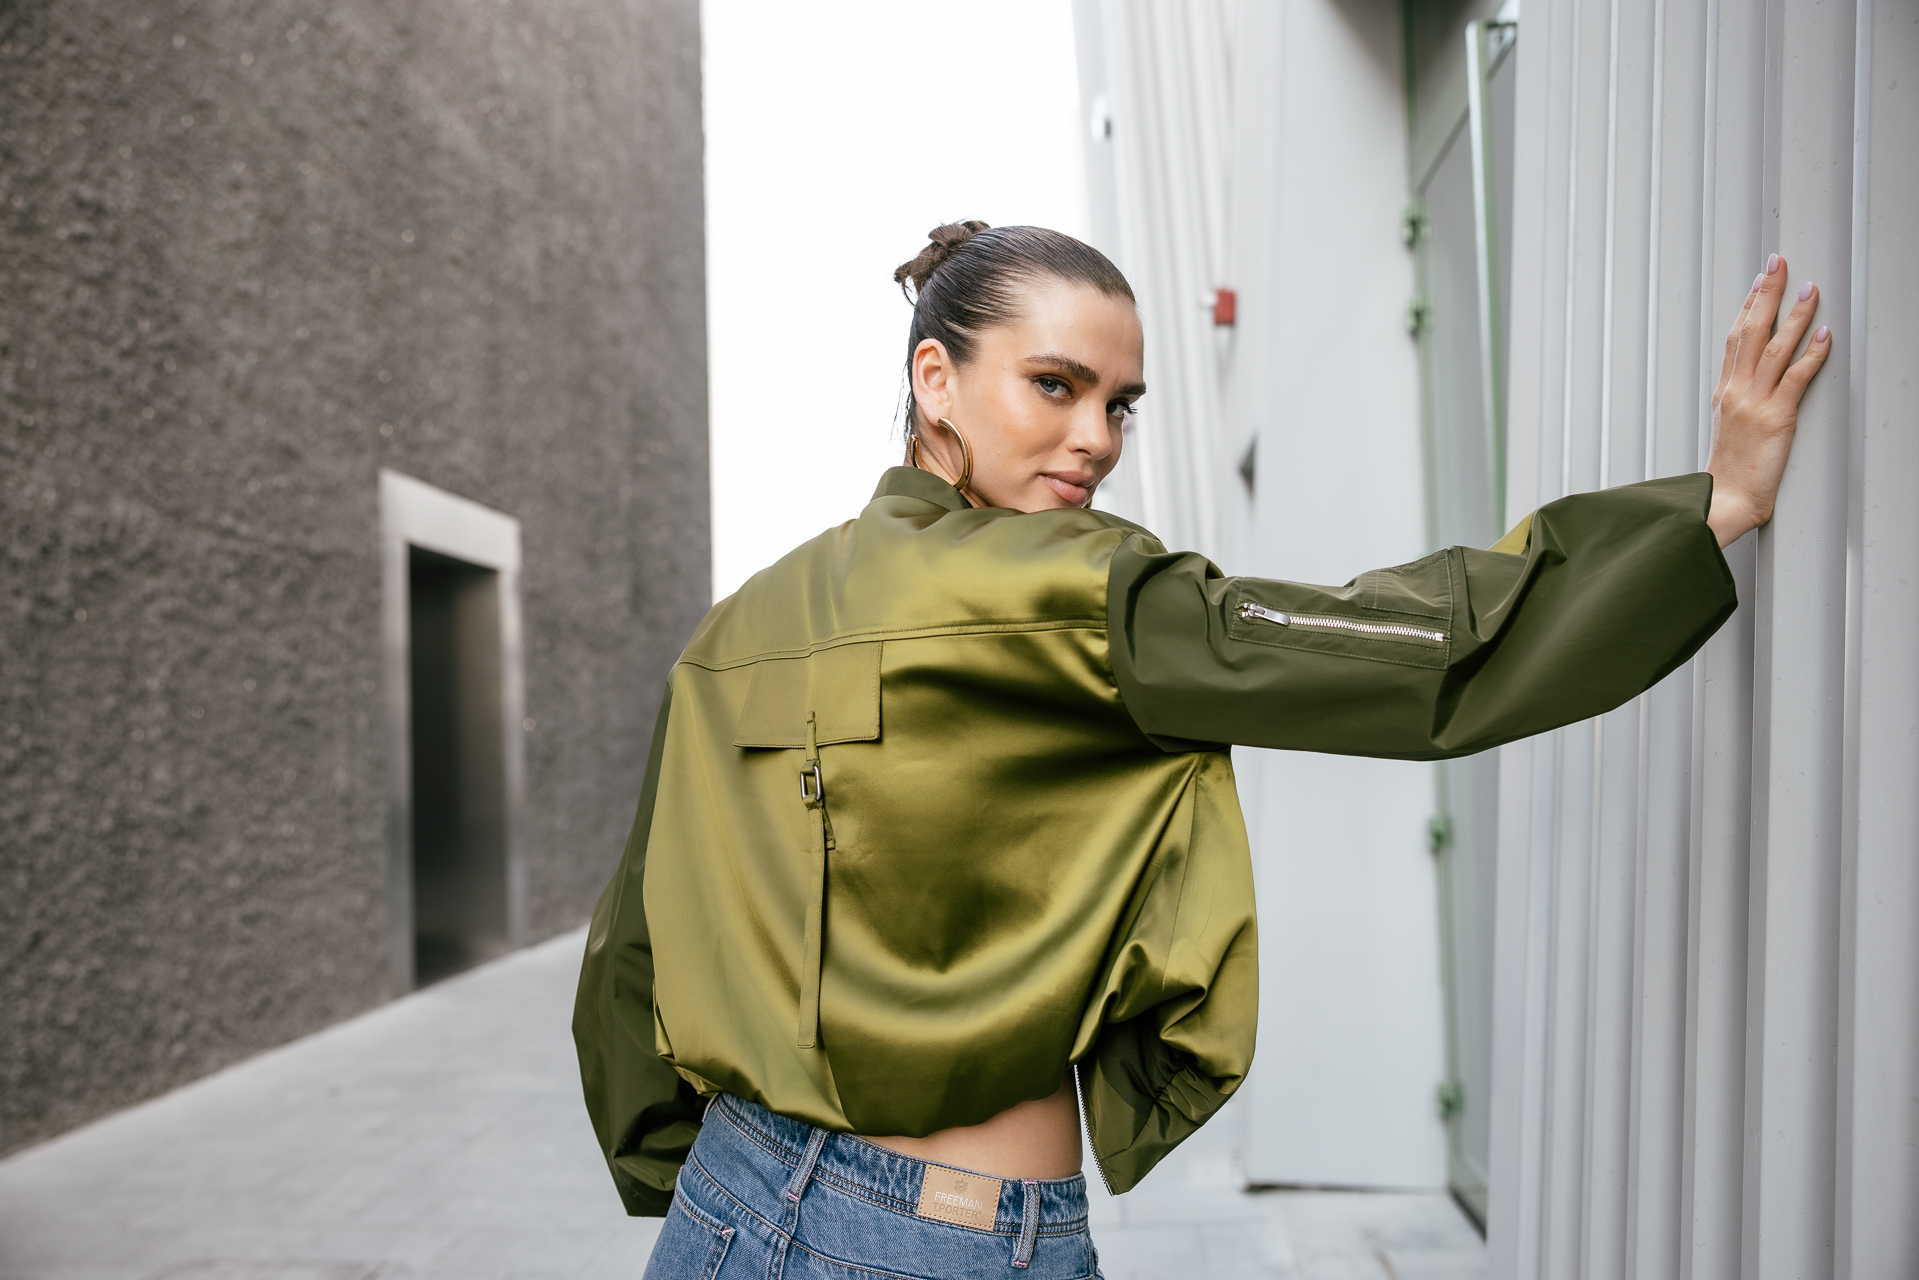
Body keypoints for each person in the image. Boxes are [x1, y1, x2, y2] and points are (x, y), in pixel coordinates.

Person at [573, 224, 1828, 1278]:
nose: (1096, 437)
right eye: (1054, 385)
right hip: (933, 1236)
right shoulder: (1080, 592)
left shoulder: (735, 628)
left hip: (726, 1204)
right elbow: (1398, 651)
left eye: (1118, 404)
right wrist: (1707, 511)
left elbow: (633, 940)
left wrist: (691, 1170)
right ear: (934, 378)